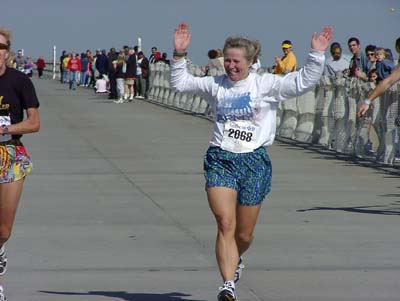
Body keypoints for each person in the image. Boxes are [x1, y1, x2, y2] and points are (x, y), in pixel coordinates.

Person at [170, 22, 333, 301]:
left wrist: (316, 54)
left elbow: (303, 81)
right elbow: (181, 83)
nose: (231, 66)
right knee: (225, 223)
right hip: (221, 158)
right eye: (227, 60)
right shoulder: (216, 85)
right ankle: (227, 284)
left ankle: (237, 260)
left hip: (254, 161)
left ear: (251, 61)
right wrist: (178, 54)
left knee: (243, 235)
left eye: (236, 61)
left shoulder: (266, 84)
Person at [0, 27, 41, 301]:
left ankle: (0, 248)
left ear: (8, 52)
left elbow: (34, 123)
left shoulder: (20, 81)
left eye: (0, 47)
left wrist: (6, 129)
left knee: (3, 228)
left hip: (10, 155)